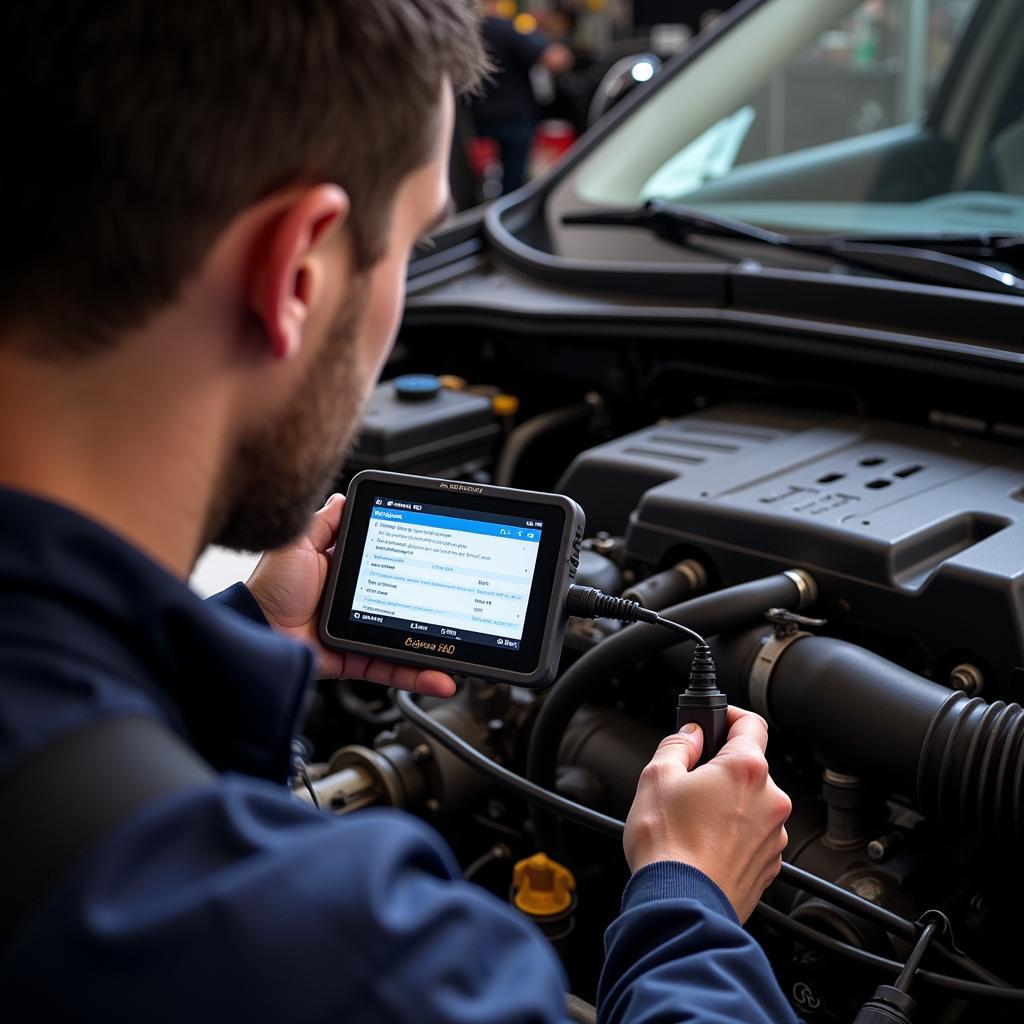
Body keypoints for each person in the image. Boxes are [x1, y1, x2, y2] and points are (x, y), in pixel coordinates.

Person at [0, 3, 796, 1021]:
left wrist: (241, 645)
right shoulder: (352, 957)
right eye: (414, 245)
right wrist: (689, 897)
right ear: (296, 268)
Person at [473, 0, 575, 193]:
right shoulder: (510, 30)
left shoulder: (464, 34)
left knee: (472, 180)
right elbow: (556, 59)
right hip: (513, 119)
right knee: (513, 184)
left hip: (475, 119)